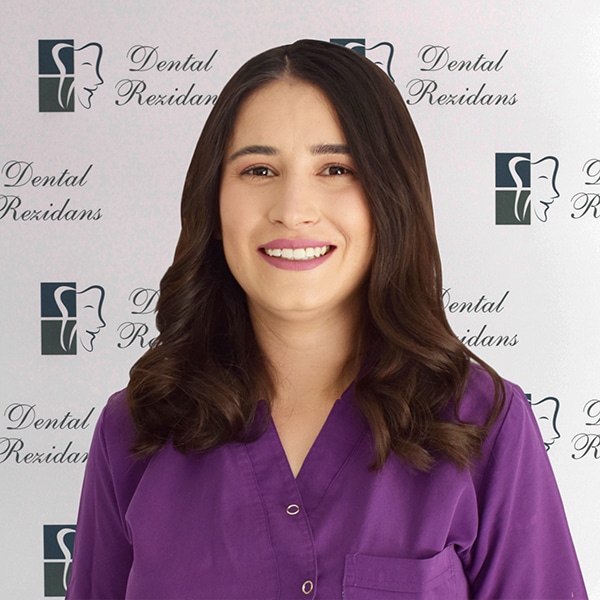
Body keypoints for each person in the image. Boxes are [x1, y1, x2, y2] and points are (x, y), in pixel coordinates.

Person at [66, 39, 587, 599]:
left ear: (391, 198)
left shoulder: (481, 425)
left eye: (335, 168)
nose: (293, 210)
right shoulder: (134, 430)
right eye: (259, 169)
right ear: (213, 202)